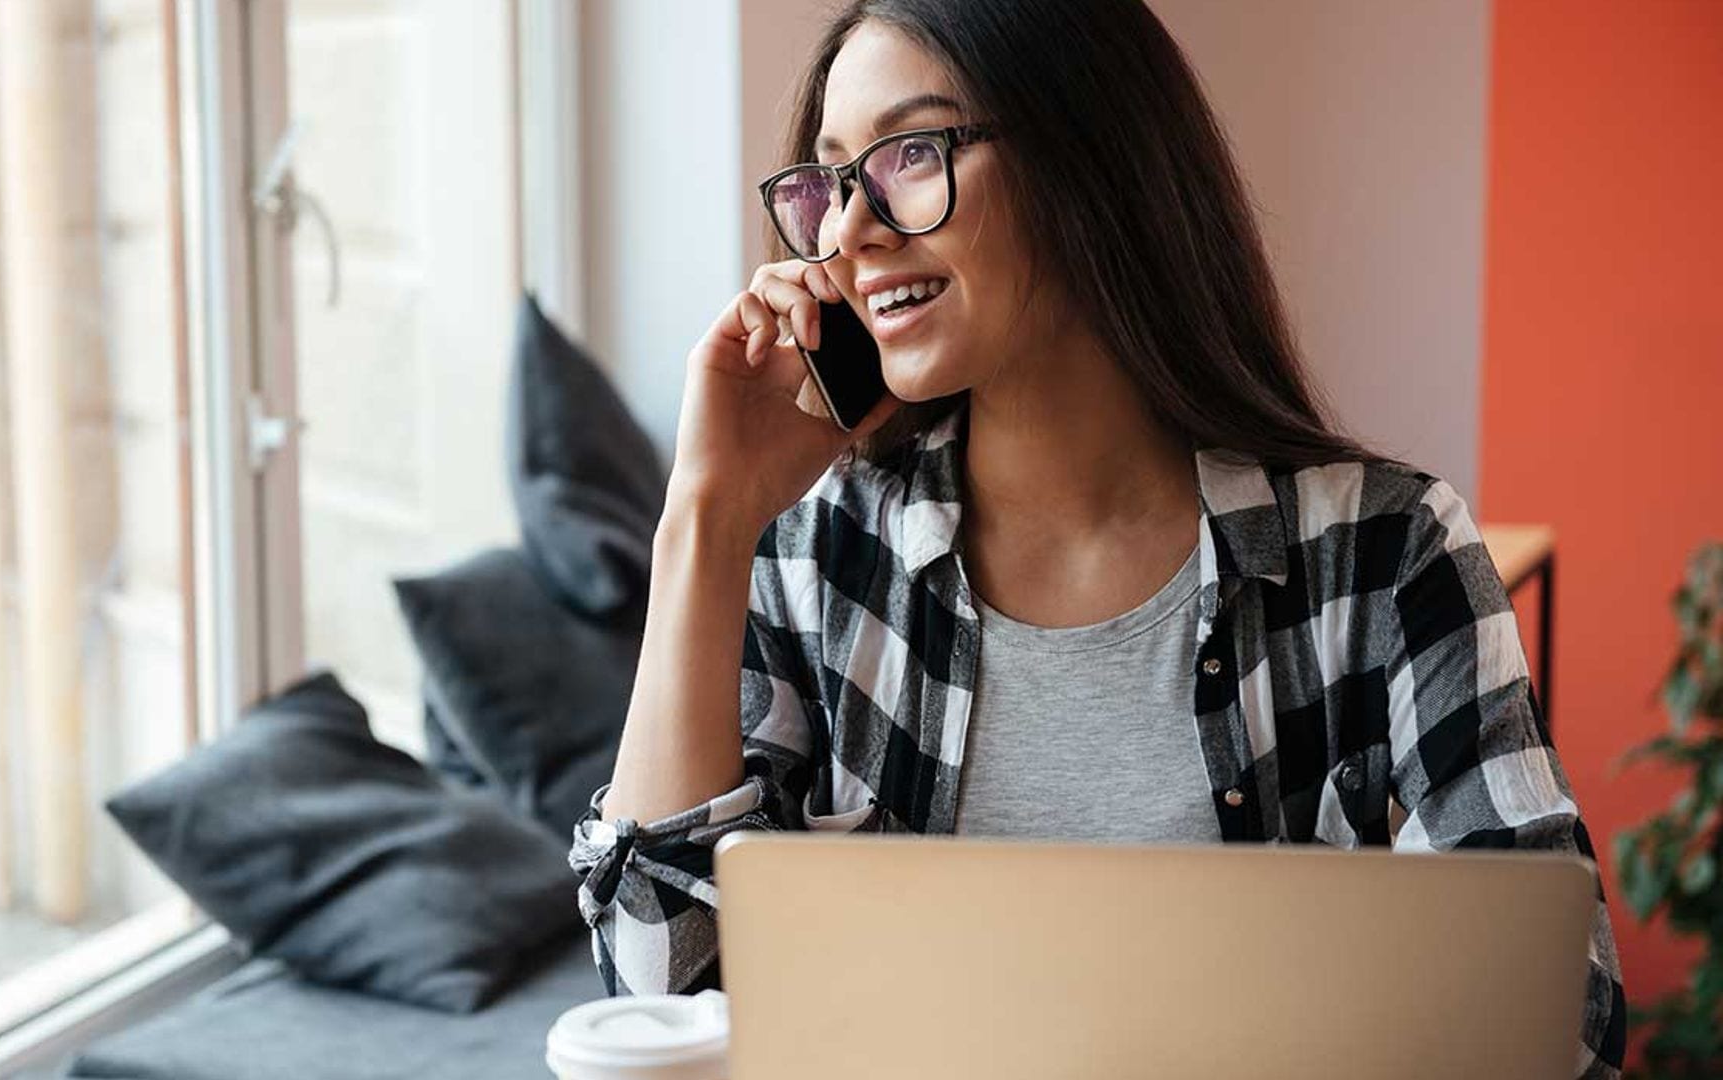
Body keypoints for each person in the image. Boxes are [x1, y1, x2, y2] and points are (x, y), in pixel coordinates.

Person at [565, 1, 1624, 1074]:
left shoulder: (1386, 552)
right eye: (832, 179)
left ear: (1092, 158)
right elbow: (663, 998)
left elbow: (1563, 1024)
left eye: (911, 155)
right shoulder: (808, 556)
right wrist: (704, 520)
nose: (849, 233)